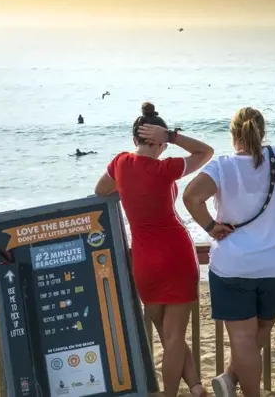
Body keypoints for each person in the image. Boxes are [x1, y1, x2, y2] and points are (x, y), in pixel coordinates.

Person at [94, 102, 213, 397]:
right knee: (174, 338)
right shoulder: (166, 168)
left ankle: (196, 387)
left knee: (167, 336)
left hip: (144, 259)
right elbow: (205, 152)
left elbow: (101, 190)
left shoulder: (120, 163)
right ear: (158, 141)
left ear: (134, 139)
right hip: (176, 254)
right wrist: (172, 136)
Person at [183, 107, 275, 397]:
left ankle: (241, 384)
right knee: (258, 334)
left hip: (233, 265)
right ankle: (229, 380)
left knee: (244, 339)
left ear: (233, 133)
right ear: (262, 131)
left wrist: (211, 227)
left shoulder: (222, 166)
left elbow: (190, 196)